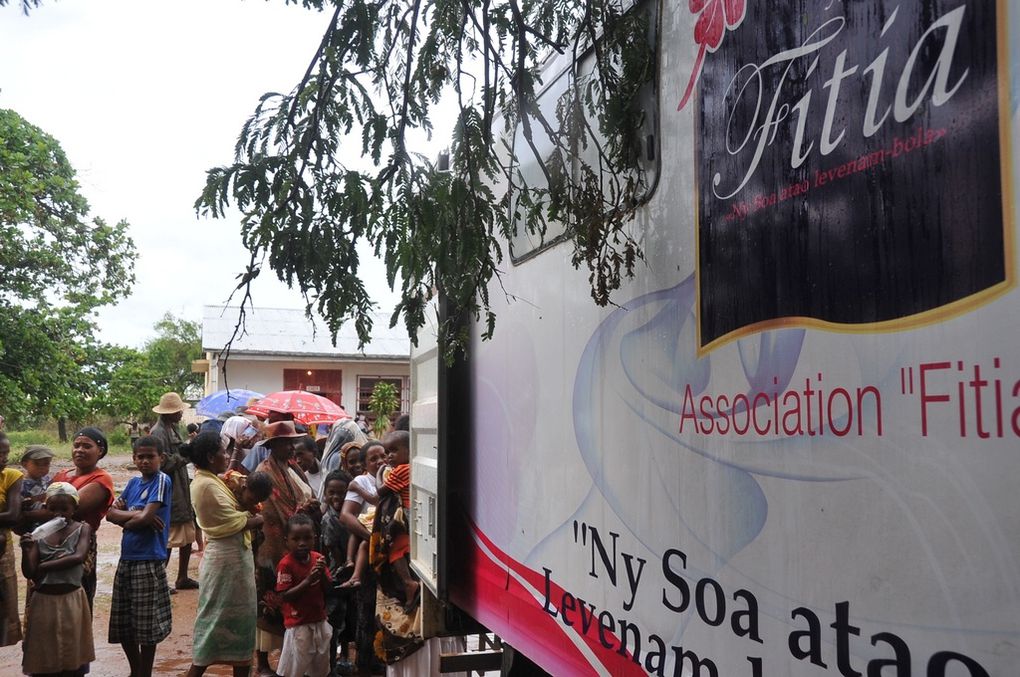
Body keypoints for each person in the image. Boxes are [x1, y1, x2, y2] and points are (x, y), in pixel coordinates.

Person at [184, 432, 264, 677]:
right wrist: (258, 518)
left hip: (234, 560)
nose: (226, 455)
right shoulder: (205, 485)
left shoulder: (211, 479)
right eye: (223, 451)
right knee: (214, 619)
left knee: (241, 622)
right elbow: (232, 520)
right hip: (225, 561)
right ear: (210, 457)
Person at [254, 420, 318, 677]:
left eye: (292, 442)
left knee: (293, 602)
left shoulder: (291, 467)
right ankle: (261, 662)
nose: (292, 447)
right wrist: (300, 513)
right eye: (286, 443)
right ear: (274, 445)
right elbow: (269, 510)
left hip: (294, 541)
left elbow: (305, 494)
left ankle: (287, 659)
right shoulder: (264, 471)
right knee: (269, 600)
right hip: (272, 548)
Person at [106, 436, 173, 677]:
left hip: (149, 557)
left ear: (161, 458)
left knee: (147, 625)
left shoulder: (163, 480)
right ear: (134, 459)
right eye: (140, 457)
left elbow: (145, 518)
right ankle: (136, 671)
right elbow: (110, 515)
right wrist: (134, 516)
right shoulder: (133, 483)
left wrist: (129, 516)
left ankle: (145, 671)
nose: (144, 461)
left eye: (150, 456)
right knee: (124, 621)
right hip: (128, 558)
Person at [20, 483, 95, 675]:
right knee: (44, 653)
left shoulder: (83, 529)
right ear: (45, 508)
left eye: (65, 509)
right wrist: (26, 550)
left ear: (75, 509)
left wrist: (43, 567)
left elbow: (78, 557)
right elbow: (29, 572)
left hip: (72, 599)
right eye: (53, 509)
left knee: (72, 653)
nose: (58, 514)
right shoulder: (39, 534)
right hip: (44, 601)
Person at [50, 427, 115, 610]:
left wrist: (30, 513)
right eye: (76, 445)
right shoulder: (62, 474)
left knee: (75, 600)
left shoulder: (101, 479)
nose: (79, 450)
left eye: (87, 446)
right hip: (50, 540)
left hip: (79, 543)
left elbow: (70, 510)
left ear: (100, 451)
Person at [150, 391, 199, 592]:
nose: (181, 414)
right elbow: (161, 463)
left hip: (180, 487)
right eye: (178, 411)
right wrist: (184, 455)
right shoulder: (158, 433)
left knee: (187, 535)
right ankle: (161, 580)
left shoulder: (172, 428)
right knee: (169, 538)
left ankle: (182, 577)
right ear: (169, 413)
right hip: (169, 490)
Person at [276, 513, 333, 677]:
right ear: (287, 541)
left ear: (314, 539)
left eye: (307, 538)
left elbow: (328, 589)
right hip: (298, 623)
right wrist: (309, 580)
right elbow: (285, 595)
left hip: (319, 620)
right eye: (296, 539)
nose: (302, 543)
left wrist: (321, 574)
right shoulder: (286, 564)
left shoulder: (318, 559)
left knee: (320, 666)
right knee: (294, 668)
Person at [340, 443, 385, 589]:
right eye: (373, 459)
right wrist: (371, 538)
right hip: (371, 537)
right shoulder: (362, 481)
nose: (380, 461)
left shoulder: (393, 476)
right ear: (365, 465)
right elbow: (346, 515)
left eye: (383, 456)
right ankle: (354, 572)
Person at [0, 432, 23, 647]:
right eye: (0, 453)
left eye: (6, 453)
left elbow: (14, 515)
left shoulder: (12, 476)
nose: (4, 458)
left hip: (2, 554)